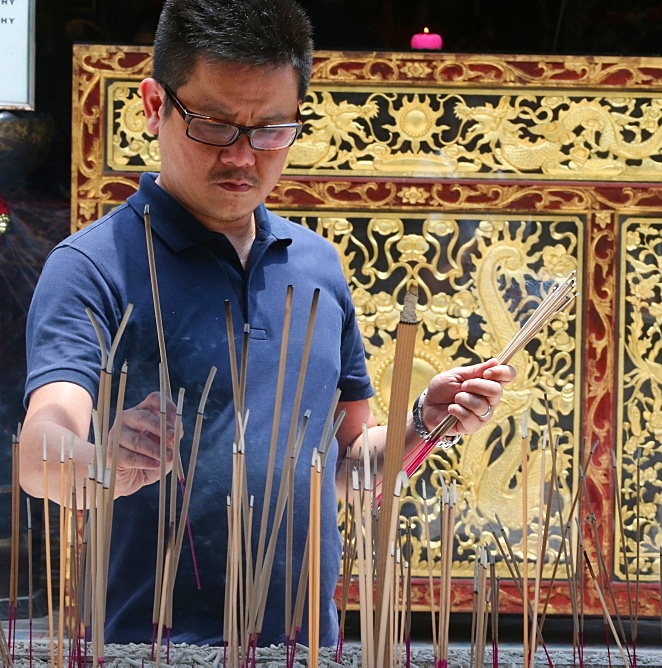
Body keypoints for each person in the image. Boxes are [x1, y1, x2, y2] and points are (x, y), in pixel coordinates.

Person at [19, 0, 514, 647]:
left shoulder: (316, 266)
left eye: (272, 130)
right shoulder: (95, 265)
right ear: (152, 106)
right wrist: (100, 466)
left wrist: (424, 422)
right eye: (216, 125)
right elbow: (40, 450)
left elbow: (344, 469)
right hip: (143, 648)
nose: (243, 158)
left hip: (305, 645)